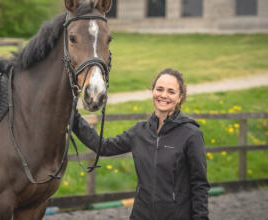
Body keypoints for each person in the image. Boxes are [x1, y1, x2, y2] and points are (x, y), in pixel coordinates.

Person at [73, 68, 210, 220]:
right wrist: (73, 117)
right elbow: (104, 147)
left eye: (171, 91)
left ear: (180, 97)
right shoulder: (139, 131)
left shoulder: (191, 135)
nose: (164, 95)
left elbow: (199, 185)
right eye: (159, 89)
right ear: (153, 91)